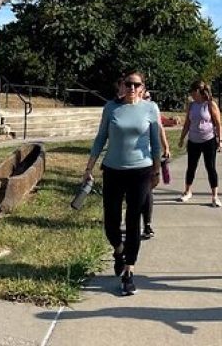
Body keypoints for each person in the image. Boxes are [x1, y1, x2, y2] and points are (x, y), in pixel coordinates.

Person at [83, 70, 161, 296]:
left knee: (133, 220)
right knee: (111, 223)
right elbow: (100, 138)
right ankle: (119, 251)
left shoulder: (150, 109)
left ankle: (129, 272)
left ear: (143, 88)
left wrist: (156, 170)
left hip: (141, 171)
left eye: (137, 85)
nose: (132, 88)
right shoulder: (111, 108)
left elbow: (155, 143)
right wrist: (89, 167)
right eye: (128, 84)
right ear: (122, 86)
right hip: (113, 170)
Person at [176, 80, 222, 207]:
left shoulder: (210, 104)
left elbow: (218, 123)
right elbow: (187, 123)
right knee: (191, 167)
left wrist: (220, 140)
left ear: (198, 91)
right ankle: (187, 191)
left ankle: (215, 196)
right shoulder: (191, 105)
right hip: (193, 140)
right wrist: (182, 138)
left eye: (193, 91)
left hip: (209, 140)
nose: (191, 94)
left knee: (210, 167)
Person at [141, 90, 171, 239]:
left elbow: (159, 128)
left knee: (147, 190)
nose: (147, 99)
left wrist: (166, 147)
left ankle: (146, 224)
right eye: (145, 97)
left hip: (149, 156)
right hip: (132, 159)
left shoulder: (152, 108)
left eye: (148, 97)